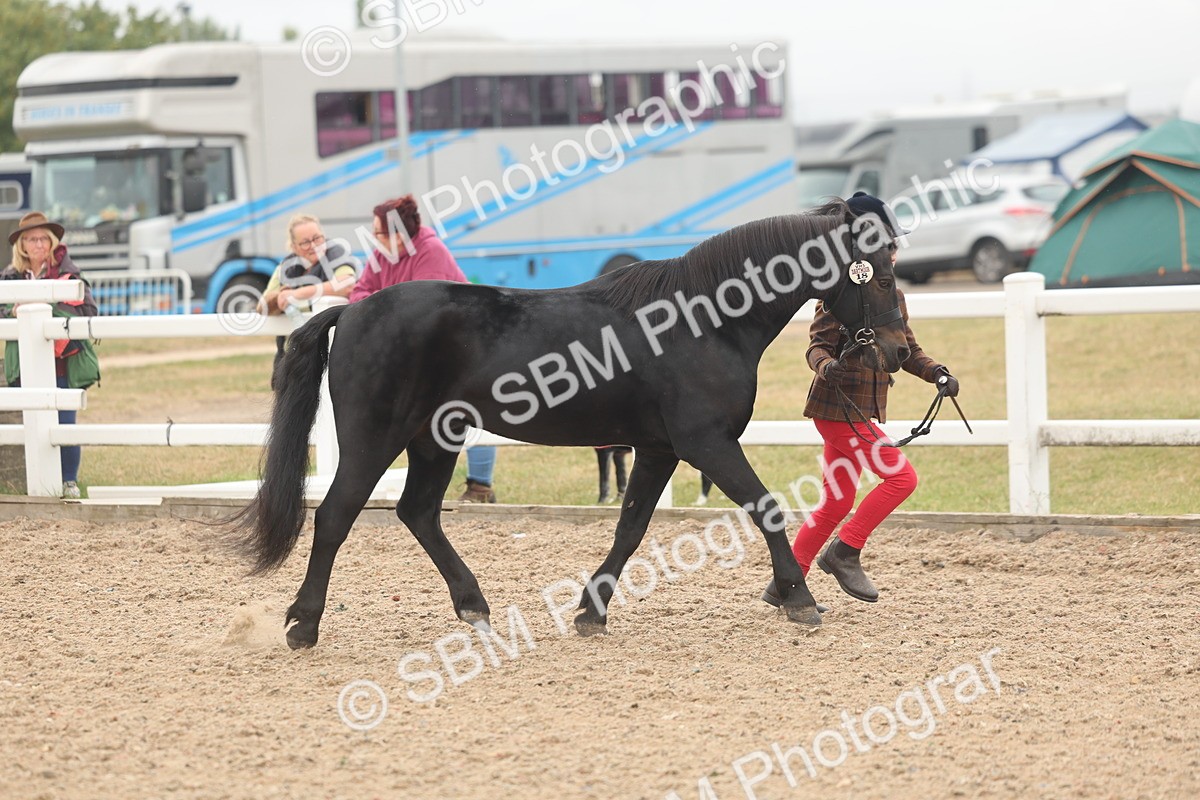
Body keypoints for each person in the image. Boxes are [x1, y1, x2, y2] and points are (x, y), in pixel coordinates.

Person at [763, 192, 961, 609]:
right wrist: (826, 366)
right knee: (902, 479)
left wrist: (938, 373)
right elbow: (815, 347)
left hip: (857, 414)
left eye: (894, 247)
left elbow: (907, 351)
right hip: (837, 411)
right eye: (889, 246)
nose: (894, 254)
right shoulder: (841, 295)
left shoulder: (891, 297)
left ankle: (786, 583)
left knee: (836, 501)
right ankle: (844, 552)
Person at [349, 195, 500, 503]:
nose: (374, 239)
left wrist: (380, 308)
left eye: (378, 233)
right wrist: (383, 308)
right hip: (424, 349)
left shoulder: (432, 252)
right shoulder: (382, 255)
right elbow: (359, 294)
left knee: (479, 407)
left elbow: (422, 313)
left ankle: (480, 484)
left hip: (465, 346)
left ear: (398, 235)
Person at [1, 212, 99, 499]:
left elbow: (88, 312)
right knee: (33, 423)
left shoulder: (69, 273)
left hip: (62, 361)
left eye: (44, 238)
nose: (39, 244)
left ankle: (69, 480)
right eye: (32, 239)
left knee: (65, 422)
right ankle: (40, 483)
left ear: (53, 242)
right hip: (26, 362)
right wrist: (13, 312)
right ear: (22, 245)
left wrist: (45, 307)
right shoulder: (9, 276)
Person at [259, 214, 359, 385]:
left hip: (336, 351)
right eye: (305, 242)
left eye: (317, 238)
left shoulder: (336, 254)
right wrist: (280, 297)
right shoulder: (286, 267)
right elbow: (262, 306)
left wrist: (298, 294)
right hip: (297, 353)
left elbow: (347, 285)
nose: (314, 246)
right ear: (294, 247)